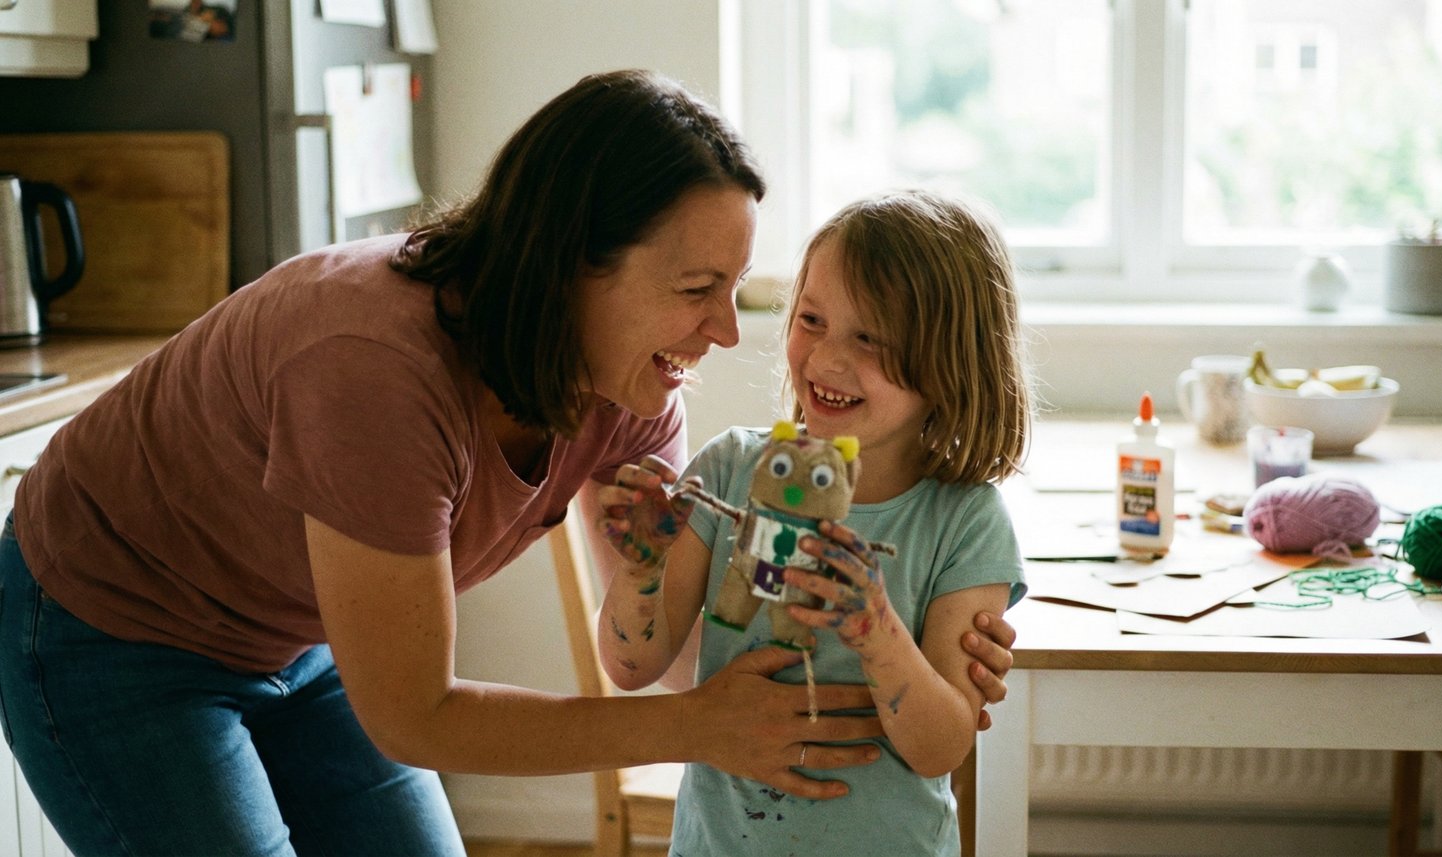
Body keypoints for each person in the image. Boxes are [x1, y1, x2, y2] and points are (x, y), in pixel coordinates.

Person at [0, 70, 1018, 856]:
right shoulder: (370, 366)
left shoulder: (635, 390)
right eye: (698, 286)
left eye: (740, 287)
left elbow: (646, 648)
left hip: (301, 635)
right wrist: (700, 725)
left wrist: (897, 651)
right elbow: (413, 711)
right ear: (573, 262)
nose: (724, 331)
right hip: (115, 628)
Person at [597, 189, 1032, 855]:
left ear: (948, 362)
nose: (827, 359)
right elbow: (633, 663)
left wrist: (878, 632)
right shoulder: (729, 471)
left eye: (869, 338)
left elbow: (941, 747)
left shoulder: (965, 521)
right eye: (812, 319)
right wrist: (641, 567)